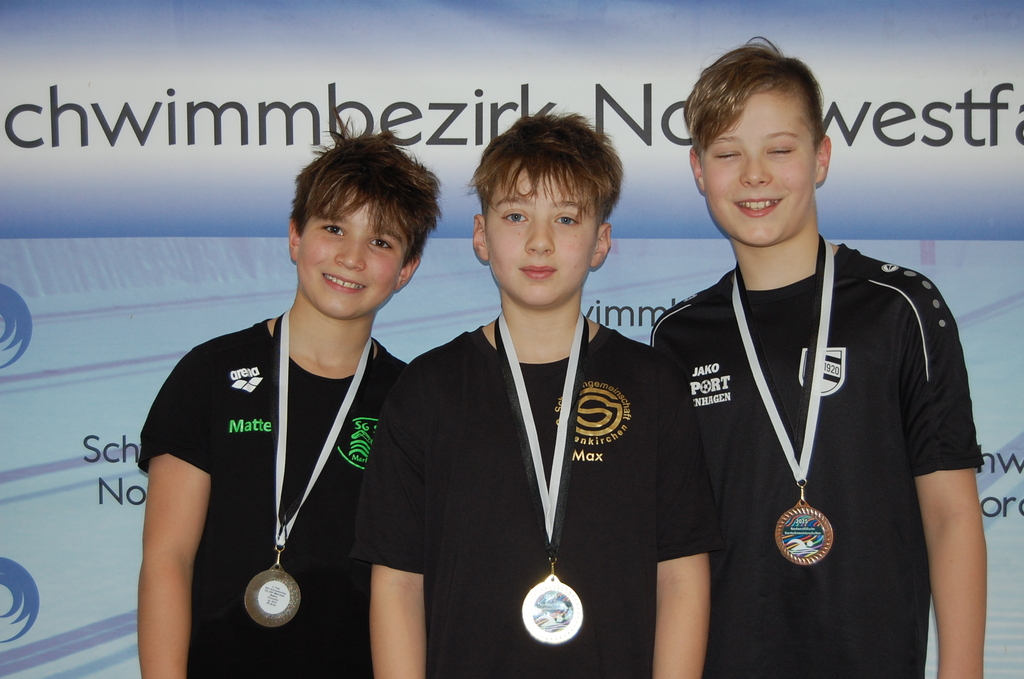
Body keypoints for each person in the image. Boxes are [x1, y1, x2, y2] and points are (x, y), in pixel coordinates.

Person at [651, 40, 986, 679]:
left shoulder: (900, 307)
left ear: (821, 156)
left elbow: (950, 514)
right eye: (728, 153)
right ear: (698, 170)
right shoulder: (679, 337)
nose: (755, 175)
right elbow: (677, 551)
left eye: (779, 150)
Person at [353, 113, 722, 679]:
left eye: (566, 218)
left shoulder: (653, 384)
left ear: (600, 242)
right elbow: (399, 581)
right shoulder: (428, 388)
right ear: (481, 235)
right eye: (516, 216)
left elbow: (680, 574)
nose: (540, 241)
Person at [136, 125, 441, 678]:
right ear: (296, 236)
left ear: (406, 270)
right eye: (334, 228)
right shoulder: (210, 373)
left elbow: (410, 584)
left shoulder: (412, 400)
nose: (351, 257)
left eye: (380, 242)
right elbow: (167, 559)